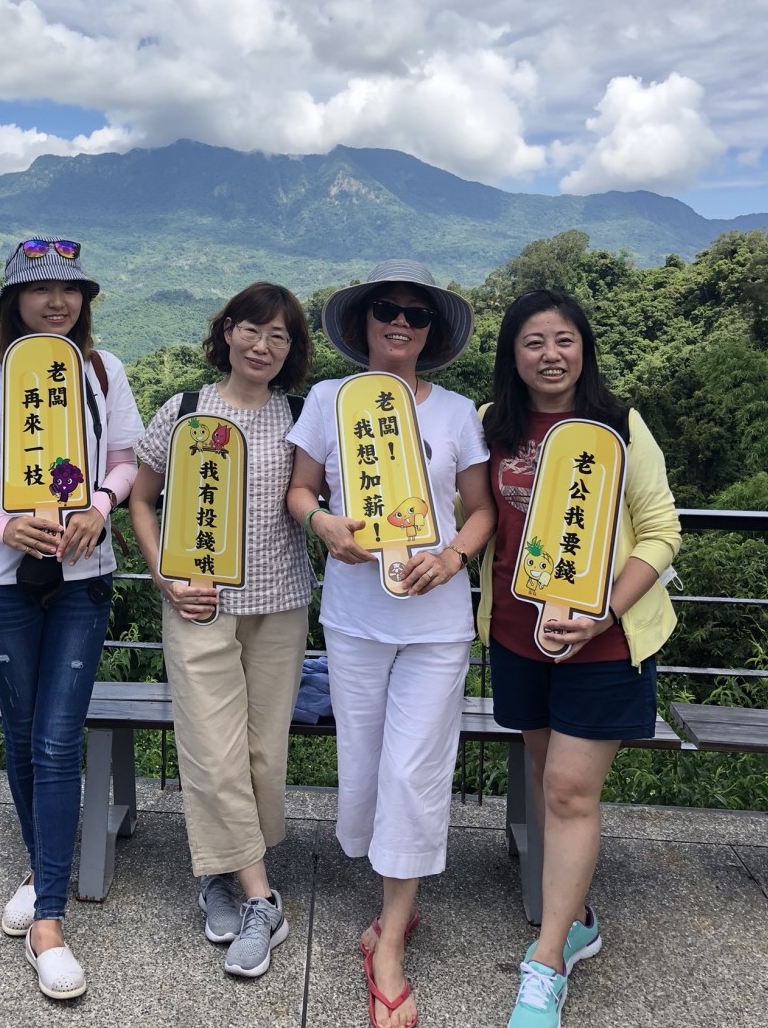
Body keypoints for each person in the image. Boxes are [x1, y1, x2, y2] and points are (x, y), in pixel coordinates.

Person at [286, 260, 496, 1028]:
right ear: (363, 322)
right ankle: (393, 905)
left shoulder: (457, 413)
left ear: (431, 331)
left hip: (436, 625)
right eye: (387, 309)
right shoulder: (328, 400)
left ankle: (391, 947)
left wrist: (454, 556)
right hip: (354, 618)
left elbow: (480, 509)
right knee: (368, 770)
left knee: (413, 772)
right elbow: (300, 489)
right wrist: (323, 523)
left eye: (417, 313)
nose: (401, 322)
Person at [0, 237, 143, 1001]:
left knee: (57, 739)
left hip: (83, 579)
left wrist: (101, 505)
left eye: (70, 288)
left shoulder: (102, 371)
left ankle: (47, 919)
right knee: (24, 734)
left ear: (84, 299)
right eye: (39, 288)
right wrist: (3, 525)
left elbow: (125, 459)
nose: (57, 301)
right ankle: (42, 868)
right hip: (0, 585)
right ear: (12, 302)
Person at [477, 289, 680, 1028]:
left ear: (584, 347)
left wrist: (605, 612)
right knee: (546, 778)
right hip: (517, 634)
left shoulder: (620, 424)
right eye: (533, 342)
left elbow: (661, 531)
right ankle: (577, 918)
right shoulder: (490, 425)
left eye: (564, 339)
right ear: (513, 355)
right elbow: (468, 512)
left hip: (606, 642)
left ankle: (548, 961)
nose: (551, 355)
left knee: (567, 789)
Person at [128, 283, 313, 979]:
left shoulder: (301, 417)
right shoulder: (184, 411)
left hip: (281, 604)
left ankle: (220, 875)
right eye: (252, 330)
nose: (263, 346)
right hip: (197, 604)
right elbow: (141, 499)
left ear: (291, 350)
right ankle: (262, 899)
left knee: (262, 753)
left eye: (279, 336)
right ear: (227, 331)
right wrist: (164, 576)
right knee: (212, 751)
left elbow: (320, 494)